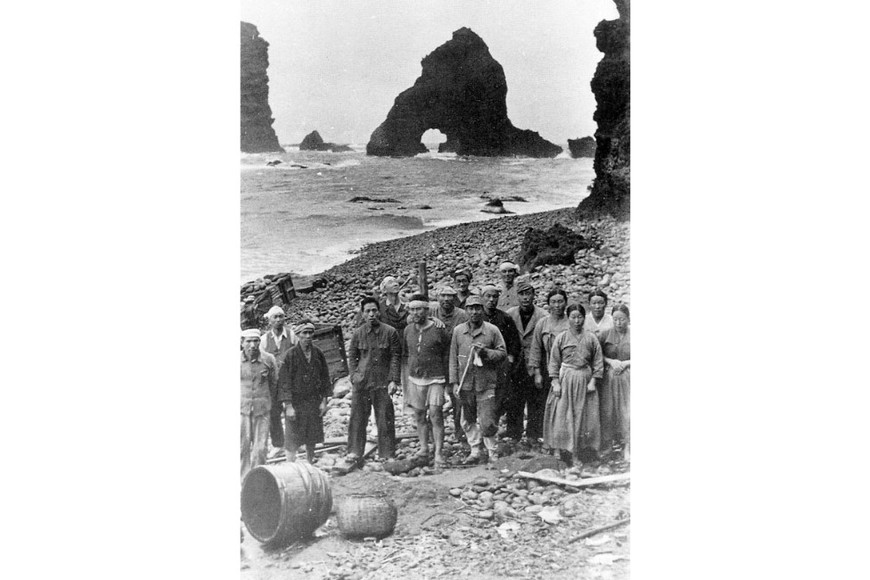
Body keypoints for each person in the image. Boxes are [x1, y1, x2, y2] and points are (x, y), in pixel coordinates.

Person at [543, 304, 604, 465]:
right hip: (566, 379)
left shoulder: (591, 338)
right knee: (561, 414)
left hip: (584, 379)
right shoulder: (561, 337)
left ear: (584, 318)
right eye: (573, 317)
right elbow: (554, 362)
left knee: (584, 416)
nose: (577, 321)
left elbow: (598, 362)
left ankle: (579, 451)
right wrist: (555, 382)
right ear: (568, 318)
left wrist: (593, 381)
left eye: (580, 317)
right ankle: (558, 447)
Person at [449, 294, 507, 464]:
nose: (474, 312)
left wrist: (486, 353)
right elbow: (453, 358)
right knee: (467, 420)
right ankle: (475, 450)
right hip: (465, 384)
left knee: (488, 421)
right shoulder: (459, 331)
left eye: (477, 308)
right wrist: (454, 382)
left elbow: (502, 353)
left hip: (486, 383)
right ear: (466, 310)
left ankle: (492, 451)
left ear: (482, 310)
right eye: (470, 308)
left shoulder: (492, 330)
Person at [346, 297, 400, 464]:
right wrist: (354, 376)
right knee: (357, 417)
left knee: (385, 417)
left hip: (382, 382)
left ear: (379, 312)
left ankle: (387, 452)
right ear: (362, 314)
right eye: (367, 311)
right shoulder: (358, 333)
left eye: (374, 310)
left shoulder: (390, 332)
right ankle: (355, 451)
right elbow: (352, 356)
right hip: (361, 383)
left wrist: (393, 380)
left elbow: (395, 357)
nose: (371, 314)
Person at [402, 295, 452, 467]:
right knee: (419, 414)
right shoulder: (408, 330)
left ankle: (438, 453)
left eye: (419, 309)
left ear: (427, 310)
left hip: (436, 378)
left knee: (436, 415)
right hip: (415, 379)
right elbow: (406, 353)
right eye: (413, 309)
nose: (416, 312)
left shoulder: (439, 329)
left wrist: (448, 381)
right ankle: (424, 448)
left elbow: (448, 354)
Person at [277, 321, 331, 464]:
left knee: (312, 435)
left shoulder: (318, 353)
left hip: (313, 401)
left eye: (310, 333)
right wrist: (288, 405)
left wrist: (324, 401)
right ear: (298, 335)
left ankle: (310, 461)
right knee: (292, 437)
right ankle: (290, 465)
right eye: (304, 333)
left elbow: (325, 377)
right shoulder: (290, 355)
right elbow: (284, 382)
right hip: (296, 403)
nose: (307, 336)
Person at [505, 277, 548, 441]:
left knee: (536, 399)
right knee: (514, 399)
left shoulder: (542, 316)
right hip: (516, 363)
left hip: (535, 363)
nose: (525, 297)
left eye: (528, 293)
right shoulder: (510, 314)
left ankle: (533, 435)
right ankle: (514, 435)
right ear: (517, 296)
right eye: (522, 294)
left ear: (533, 295)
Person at [527, 288, 570, 445]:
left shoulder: (570, 322)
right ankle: (541, 437)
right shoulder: (542, 323)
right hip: (546, 368)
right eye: (553, 302)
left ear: (566, 303)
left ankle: (561, 438)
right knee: (542, 402)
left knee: (563, 403)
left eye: (560, 301)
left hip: (565, 369)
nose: (557, 305)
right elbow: (536, 349)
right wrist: (537, 372)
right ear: (548, 304)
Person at [480, 284, 522, 435]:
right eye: (488, 297)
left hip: (500, 366)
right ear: (482, 298)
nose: (491, 300)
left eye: (495, 297)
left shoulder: (505, 318)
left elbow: (514, 343)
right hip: (481, 366)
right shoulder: (477, 317)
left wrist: (509, 360)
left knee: (500, 398)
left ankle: (496, 430)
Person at [429, 286, 469, 442]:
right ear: (438, 297)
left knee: (458, 398)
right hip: (435, 362)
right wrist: (432, 319)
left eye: (450, 296)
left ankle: (461, 431)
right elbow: (413, 317)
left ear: (455, 298)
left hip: (455, 361)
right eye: (443, 296)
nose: (446, 299)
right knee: (433, 400)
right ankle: (433, 435)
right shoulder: (432, 311)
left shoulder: (462, 315)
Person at [260, 306, 298, 457]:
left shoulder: (291, 335)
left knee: (294, 409)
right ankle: (278, 444)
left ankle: (296, 441)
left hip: (290, 379)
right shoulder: (263, 340)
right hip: (273, 382)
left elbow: (297, 353)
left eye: (281, 316)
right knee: (273, 411)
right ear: (269, 320)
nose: (278, 320)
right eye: (275, 317)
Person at [240, 329, 277, 481]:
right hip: (242, 410)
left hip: (262, 410)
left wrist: (271, 404)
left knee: (260, 449)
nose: (252, 345)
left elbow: (274, 384)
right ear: (242, 343)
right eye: (248, 341)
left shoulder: (268, 359)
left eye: (256, 341)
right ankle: (243, 480)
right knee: (242, 447)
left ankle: (257, 481)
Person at [598, 304, 631, 460]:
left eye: (622, 319)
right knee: (608, 411)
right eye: (616, 319)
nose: (619, 323)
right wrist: (611, 361)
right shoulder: (605, 335)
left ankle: (628, 447)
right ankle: (608, 446)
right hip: (609, 379)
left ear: (628, 319)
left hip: (629, 378)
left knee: (627, 412)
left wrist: (625, 363)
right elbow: (598, 356)